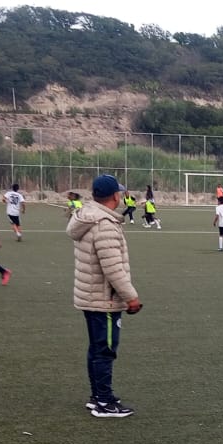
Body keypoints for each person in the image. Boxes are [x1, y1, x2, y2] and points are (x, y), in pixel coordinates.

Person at [68, 174, 142, 418]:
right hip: (104, 299)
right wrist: (131, 297)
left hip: (91, 295)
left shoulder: (87, 216)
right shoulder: (104, 224)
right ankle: (104, 401)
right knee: (105, 350)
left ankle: (97, 396)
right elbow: (113, 268)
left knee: (97, 348)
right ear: (114, 196)